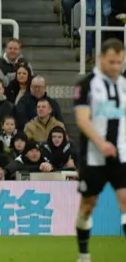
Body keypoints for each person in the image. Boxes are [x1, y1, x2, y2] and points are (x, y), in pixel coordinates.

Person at [73, 38, 126, 262]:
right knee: (88, 206)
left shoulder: (124, 84)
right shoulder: (85, 84)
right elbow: (82, 121)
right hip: (93, 156)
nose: (116, 67)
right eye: (112, 62)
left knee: (125, 199)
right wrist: (101, 143)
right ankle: (84, 253)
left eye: (120, 62)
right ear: (101, 58)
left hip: (121, 154)